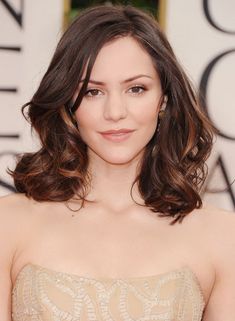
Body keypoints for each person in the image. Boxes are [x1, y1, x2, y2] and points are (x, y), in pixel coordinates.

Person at [0, 4, 234, 321]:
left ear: (163, 99)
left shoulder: (221, 236)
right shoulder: (9, 223)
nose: (115, 112)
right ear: (68, 102)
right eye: (93, 91)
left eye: (136, 88)